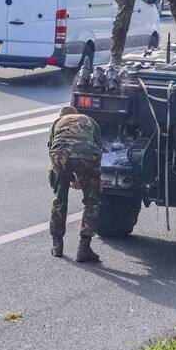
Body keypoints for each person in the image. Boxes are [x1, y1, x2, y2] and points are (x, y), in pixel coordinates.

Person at [47, 106, 103, 262]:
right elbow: (98, 148)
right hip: (87, 156)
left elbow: (52, 150)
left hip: (60, 156)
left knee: (59, 198)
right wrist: (90, 180)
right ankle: (84, 247)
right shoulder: (89, 120)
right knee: (92, 201)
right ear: (76, 114)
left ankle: (57, 244)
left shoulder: (57, 123)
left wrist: (67, 178)